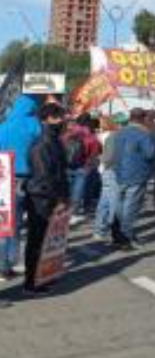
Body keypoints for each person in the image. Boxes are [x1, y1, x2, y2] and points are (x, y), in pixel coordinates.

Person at [22, 102, 71, 296]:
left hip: (50, 196)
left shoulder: (54, 140)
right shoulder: (42, 144)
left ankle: (44, 276)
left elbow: (60, 171)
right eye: (58, 117)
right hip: (41, 198)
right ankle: (31, 282)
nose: (62, 121)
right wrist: (58, 198)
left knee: (49, 241)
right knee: (37, 240)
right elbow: (44, 177)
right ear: (46, 119)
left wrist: (64, 196)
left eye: (62, 117)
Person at [0, 94, 42, 282]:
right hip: (28, 178)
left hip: (4, 177)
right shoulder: (34, 125)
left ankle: (3, 265)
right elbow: (42, 150)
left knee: (4, 222)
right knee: (21, 223)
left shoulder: (3, 126)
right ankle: (11, 261)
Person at [110, 108, 155, 250]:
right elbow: (150, 153)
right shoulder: (143, 133)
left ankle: (117, 234)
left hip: (119, 172)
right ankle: (126, 237)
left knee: (120, 205)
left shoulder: (119, 132)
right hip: (136, 173)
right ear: (143, 119)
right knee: (131, 207)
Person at [63, 113, 101, 224]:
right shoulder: (90, 135)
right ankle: (73, 213)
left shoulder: (68, 133)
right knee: (78, 191)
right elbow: (96, 151)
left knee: (67, 190)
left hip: (67, 166)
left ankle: (65, 211)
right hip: (83, 167)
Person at [91, 118, 120, 242]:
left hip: (103, 169)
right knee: (113, 201)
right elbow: (108, 157)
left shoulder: (100, 136)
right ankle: (114, 230)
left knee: (104, 201)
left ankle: (100, 230)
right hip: (110, 169)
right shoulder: (111, 136)